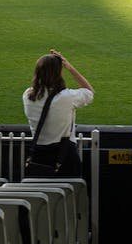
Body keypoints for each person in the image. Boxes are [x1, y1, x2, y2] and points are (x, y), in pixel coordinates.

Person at [22, 49, 94, 178]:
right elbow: (89, 91)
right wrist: (70, 67)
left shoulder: (27, 95)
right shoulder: (66, 97)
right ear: (59, 73)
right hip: (65, 155)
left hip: (38, 154)